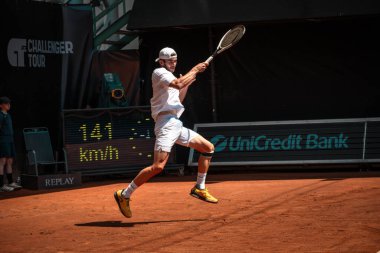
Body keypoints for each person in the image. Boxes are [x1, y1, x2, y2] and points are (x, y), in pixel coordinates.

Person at [114, 47, 218, 218]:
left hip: (176, 124)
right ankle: (124, 194)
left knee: (208, 148)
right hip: (166, 124)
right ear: (161, 61)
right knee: (158, 167)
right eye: (170, 61)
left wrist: (188, 81)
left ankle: (199, 188)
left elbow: (178, 96)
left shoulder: (172, 78)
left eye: (175, 60)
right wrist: (194, 71)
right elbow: (179, 83)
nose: (173, 63)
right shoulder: (159, 72)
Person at [0, 97, 22, 192]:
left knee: (9, 161)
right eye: (6, 103)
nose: (8, 105)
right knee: (2, 161)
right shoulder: (0, 115)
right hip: (3, 141)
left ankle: (10, 182)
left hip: (10, 140)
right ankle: (1, 185)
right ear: (1, 105)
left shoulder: (8, 115)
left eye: (9, 103)